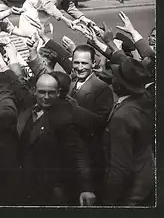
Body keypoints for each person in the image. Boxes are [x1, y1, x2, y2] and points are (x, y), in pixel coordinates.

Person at [17, 73, 95, 206]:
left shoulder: (65, 118)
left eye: (51, 93)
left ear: (58, 93)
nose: (46, 97)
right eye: (42, 92)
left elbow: (78, 153)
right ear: (34, 91)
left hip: (52, 191)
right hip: (27, 187)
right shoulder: (27, 111)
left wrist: (86, 188)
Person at [103, 57, 155, 206]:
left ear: (119, 84)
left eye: (114, 76)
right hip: (144, 177)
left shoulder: (122, 117)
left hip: (129, 191)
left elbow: (120, 168)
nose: (112, 77)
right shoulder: (145, 98)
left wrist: (108, 201)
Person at [69, 44, 113, 199]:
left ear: (93, 64)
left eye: (84, 63)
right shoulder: (71, 84)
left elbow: (101, 122)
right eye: (76, 62)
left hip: (90, 156)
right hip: (70, 155)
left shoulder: (102, 88)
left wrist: (74, 109)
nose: (79, 67)